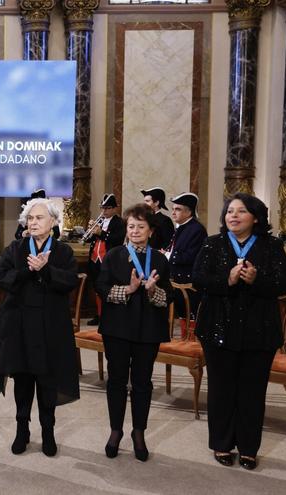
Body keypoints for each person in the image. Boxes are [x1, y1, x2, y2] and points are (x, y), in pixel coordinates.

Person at [192, 193, 286, 470]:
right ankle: (222, 444)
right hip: (217, 328)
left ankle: (249, 448)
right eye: (229, 212)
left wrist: (257, 280)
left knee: (252, 391)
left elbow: (284, 283)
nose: (233, 216)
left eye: (241, 211)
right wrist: (228, 279)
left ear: (256, 217)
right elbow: (198, 278)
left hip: (259, 330)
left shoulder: (272, 246)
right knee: (221, 390)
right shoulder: (213, 244)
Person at [0, 198, 79, 457]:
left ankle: (48, 431)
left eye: (39, 218)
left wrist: (46, 270)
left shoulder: (63, 252)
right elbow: (1, 277)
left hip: (51, 325)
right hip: (19, 323)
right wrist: (28, 271)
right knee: (23, 379)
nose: (34, 222)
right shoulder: (16, 248)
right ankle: (21, 430)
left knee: (48, 381)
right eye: (31, 218)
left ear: (53, 222)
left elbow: (69, 281)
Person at [95, 203, 171, 462]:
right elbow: (101, 287)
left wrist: (152, 290)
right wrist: (128, 289)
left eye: (141, 226)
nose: (135, 231)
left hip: (148, 330)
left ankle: (139, 432)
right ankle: (115, 430)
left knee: (142, 383)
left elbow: (169, 296)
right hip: (116, 328)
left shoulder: (160, 259)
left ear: (150, 230)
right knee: (116, 381)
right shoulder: (114, 255)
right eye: (131, 226)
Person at [86, 194, 125, 326]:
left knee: (107, 288)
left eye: (107, 208)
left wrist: (100, 233)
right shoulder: (101, 221)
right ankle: (99, 314)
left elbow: (117, 239)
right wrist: (90, 231)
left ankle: (108, 315)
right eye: (102, 208)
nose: (104, 211)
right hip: (95, 259)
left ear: (115, 208)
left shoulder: (119, 222)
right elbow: (89, 240)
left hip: (108, 260)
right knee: (97, 288)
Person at [167, 192, 207, 319]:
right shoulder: (183, 227)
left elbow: (192, 257)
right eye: (173, 209)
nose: (173, 212)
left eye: (177, 209)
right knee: (182, 316)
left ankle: (189, 338)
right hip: (178, 280)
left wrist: (169, 255)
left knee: (190, 316)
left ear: (189, 212)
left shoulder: (196, 229)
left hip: (189, 282)